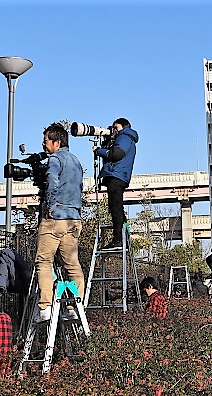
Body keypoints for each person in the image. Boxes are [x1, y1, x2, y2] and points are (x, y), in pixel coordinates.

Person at [34, 123, 85, 323]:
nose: (43, 144)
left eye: (46, 140)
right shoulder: (76, 161)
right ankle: (74, 305)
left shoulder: (55, 159)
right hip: (73, 218)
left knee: (44, 261)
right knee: (72, 264)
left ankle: (45, 306)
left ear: (56, 142)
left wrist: (49, 208)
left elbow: (53, 183)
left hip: (55, 218)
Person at [92, 117, 139, 251]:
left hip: (116, 176)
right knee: (117, 207)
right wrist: (107, 143)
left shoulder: (125, 137)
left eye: (116, 128)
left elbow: (116, 154)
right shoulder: (125, 138)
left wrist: (98, 150)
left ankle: (118, 240)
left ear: (123, 127)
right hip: (118, 176)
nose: (114, 131)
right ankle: (124, 239)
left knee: (115, 208)